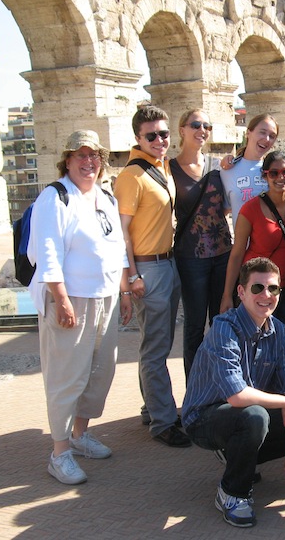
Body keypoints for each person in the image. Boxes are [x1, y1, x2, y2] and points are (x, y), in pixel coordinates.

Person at [182, 257, 285, 528]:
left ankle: (237, 456)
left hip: (244, 413)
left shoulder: (278, 329)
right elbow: (237, 396)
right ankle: (233, 493)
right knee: (254, 417)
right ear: (241, 292)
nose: (266, 295)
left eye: (273, 289)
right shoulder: (224, 328)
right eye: (257, 288)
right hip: (204, 418)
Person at [28, 130, 132, 484]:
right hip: (71, 298)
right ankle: (59, 453)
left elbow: (117, 246)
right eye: (80, 156)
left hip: (105, 296)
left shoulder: (105, 195)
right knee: (66, 376)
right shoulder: (54, 198)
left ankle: (80, 434)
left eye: (94, 156)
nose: (88, 162)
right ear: (68, 161)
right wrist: (61, 299)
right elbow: (47, 253)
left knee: (100, 371)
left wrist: (125, 290)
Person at [114, 105, 189, 447]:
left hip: (167, 264)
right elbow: (122, 232)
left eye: (164, 133)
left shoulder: (161, 168)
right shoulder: (131, 176)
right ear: (137, 138)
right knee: (156, 348)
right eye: (151, 135)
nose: (160, 140)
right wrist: (130, 278)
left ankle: (151, 407)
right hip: (148, 268)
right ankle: (163, 421)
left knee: (155, 343)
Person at [220, 151, 285, 404]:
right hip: (259, 290)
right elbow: (237, 253)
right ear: (265, 176)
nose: (280, 177)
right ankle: (259, 402)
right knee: (258, 349)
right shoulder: (251, 209)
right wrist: (228, 295)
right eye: (274, 173)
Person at [170, 109, 232, 381]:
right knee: (194, 326)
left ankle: (221, 384)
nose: (202, 130)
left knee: (220, 321)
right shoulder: (168, 168)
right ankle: (195, 389)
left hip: (222, 254)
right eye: (196, 124)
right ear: (182, 129)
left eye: (207, 125)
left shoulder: (219, 166)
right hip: (190, 258)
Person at [221, 113, 278, 225]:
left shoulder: (276, 171)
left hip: (274, 241)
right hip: (242, 241)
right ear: (248, 132)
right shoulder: (227, 171)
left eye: (272, 136)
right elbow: (223, 212)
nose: (266, 139)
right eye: (262, 132)